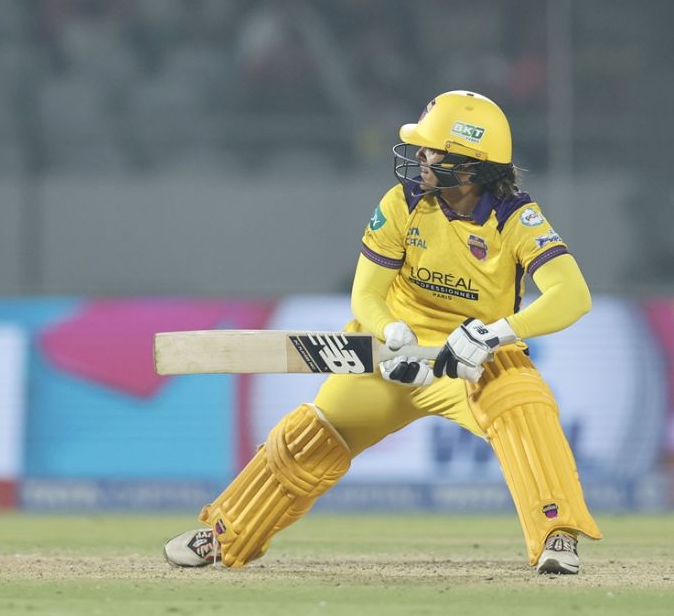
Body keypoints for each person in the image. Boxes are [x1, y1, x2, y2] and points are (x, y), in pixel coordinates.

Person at [164, 90, 601, 575]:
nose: (421, 158)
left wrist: (495, 333)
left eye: (434, 150)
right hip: (391, 358)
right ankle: (225, 535)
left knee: (523, 406)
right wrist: (392, 331)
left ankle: (556, 537)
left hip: (469, 359)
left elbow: (572, 295)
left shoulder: (517, 217)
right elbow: (365, 296)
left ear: (472, 165)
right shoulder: (402, 203)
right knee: (311, 438)